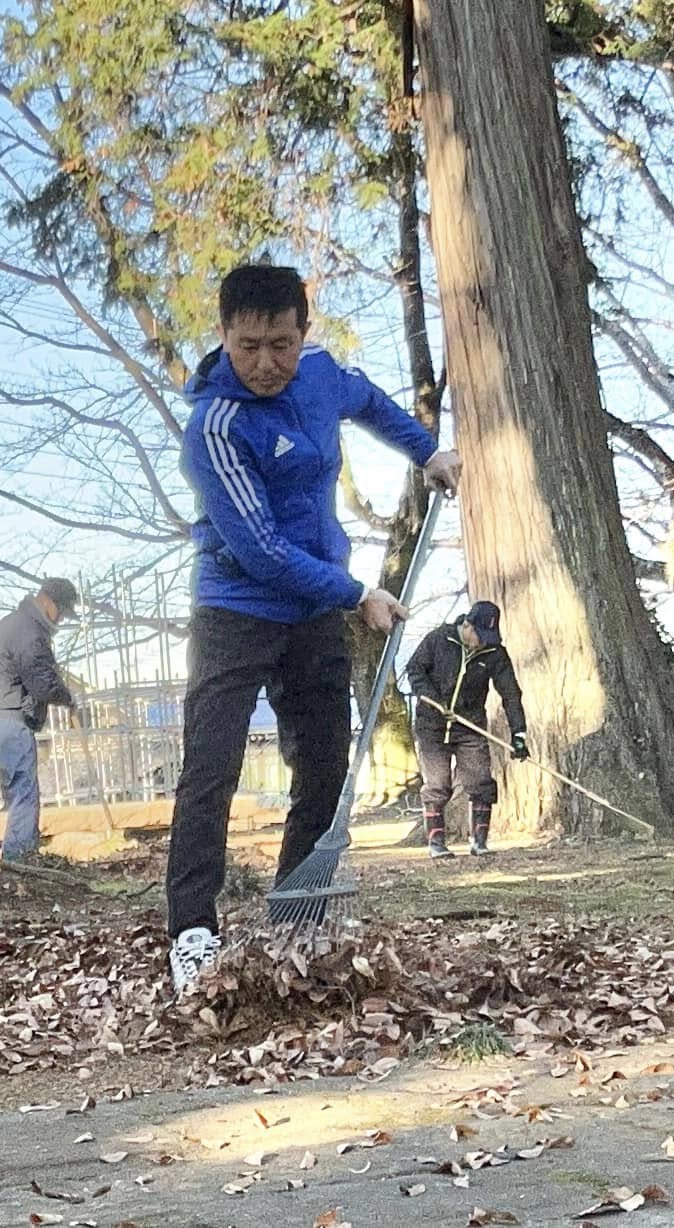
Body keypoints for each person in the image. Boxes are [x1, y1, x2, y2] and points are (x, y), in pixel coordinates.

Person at [166, 263, 462, 993]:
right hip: (236, 607)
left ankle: (296, 918)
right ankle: (192, 933)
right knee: (211, 767)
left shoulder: (322, 375)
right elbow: (261, 550)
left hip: (312, 611)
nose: (266, 364)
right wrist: (356, 593)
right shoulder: (216, 426)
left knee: (325, 767)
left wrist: (426, 450)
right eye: (247, 347)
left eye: (282, 345)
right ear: (223, 336)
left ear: (303, 334)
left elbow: (368, 401)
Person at [403, 600, 528, 859]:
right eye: (480, 635)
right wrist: (433, 700)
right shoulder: (439, 639)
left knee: (480, 782)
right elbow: (414, 670)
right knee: (437, 784)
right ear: (467, 625)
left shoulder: (494, 653)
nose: (483, 642)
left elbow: (511, 694)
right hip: (432, 725)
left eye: (489, 637)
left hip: (470, 725)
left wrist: (519, 734)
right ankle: (436, 844)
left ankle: (479, 842)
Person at [0, 578, 80, 861]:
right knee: (24, 794)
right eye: (61, 611)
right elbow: (42, 682)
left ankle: (19, 858)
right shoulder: (29, 633)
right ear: (47, 601)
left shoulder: (13, 623)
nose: (60, 619)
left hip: (0, 718)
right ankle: (20, 861)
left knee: (18, 793)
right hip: (12, 719)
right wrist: (68, 698)